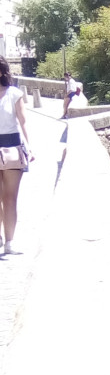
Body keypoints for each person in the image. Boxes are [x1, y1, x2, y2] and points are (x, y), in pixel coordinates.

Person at [0, 58, 33, 255]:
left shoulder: (14, 94)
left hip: (12, 147)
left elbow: (23, 122)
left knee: (10, 198)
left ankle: (10, 242)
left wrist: (30, 147)